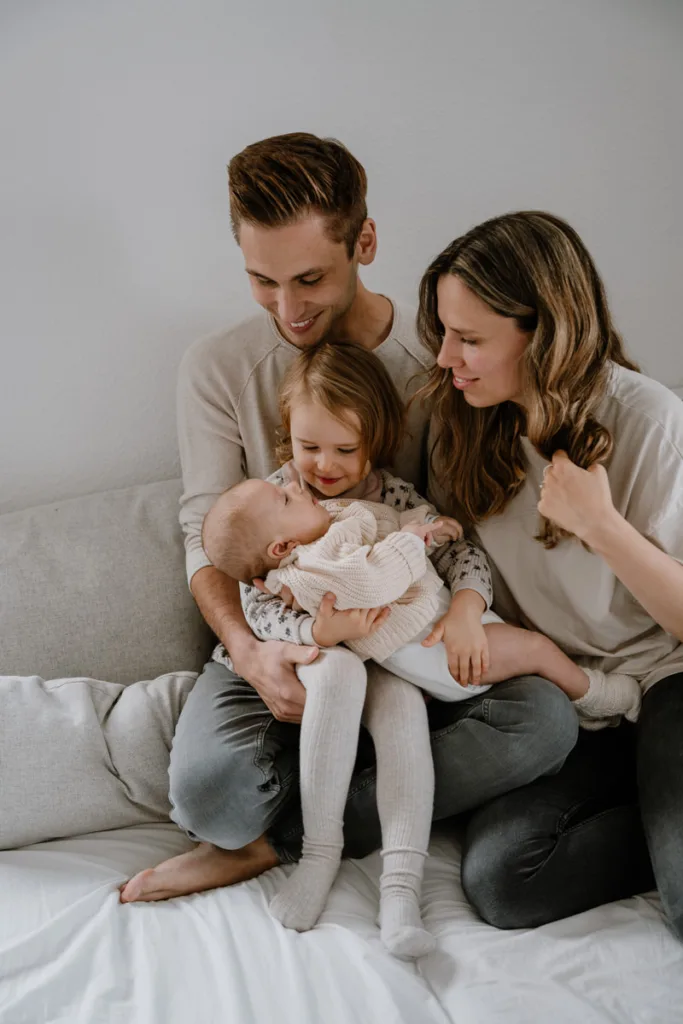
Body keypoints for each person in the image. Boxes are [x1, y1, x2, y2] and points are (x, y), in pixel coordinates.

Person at [119, 136, 578, 906]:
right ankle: (276, 814)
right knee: (208, 798)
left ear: (363, 242)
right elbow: (206, 531)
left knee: (542, 723)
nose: (288, 310)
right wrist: (251, 650)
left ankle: (282, 840)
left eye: (309, 279)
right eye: (262, 281)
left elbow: (452, 528)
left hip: (410, 644)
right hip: (287, 643)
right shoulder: (215, 367)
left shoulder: (440, 363)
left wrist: (460, 615)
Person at [201, 340, 620, 956]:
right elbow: (256, 601)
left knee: (410, 726)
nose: (322, 467)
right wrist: (314, 635)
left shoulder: (391, 497)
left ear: (378, 440)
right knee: (330, 695)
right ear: (285, 435)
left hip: (405, 653)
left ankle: (401, 892)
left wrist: (468, 610)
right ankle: (317, 853)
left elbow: (459, 553)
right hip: (336, 664)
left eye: (345, 450)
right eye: (307, 447)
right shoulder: (269, 509)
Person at [417, 209, 683, 937]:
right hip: (568, 695)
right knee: (504, 881)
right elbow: (450, 556)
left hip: (666, 682)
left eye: (469, 339)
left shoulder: (649, 421)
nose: (445, 357)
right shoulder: (465, 424)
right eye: (444, 332)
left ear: (544, 335)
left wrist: (600, 524)